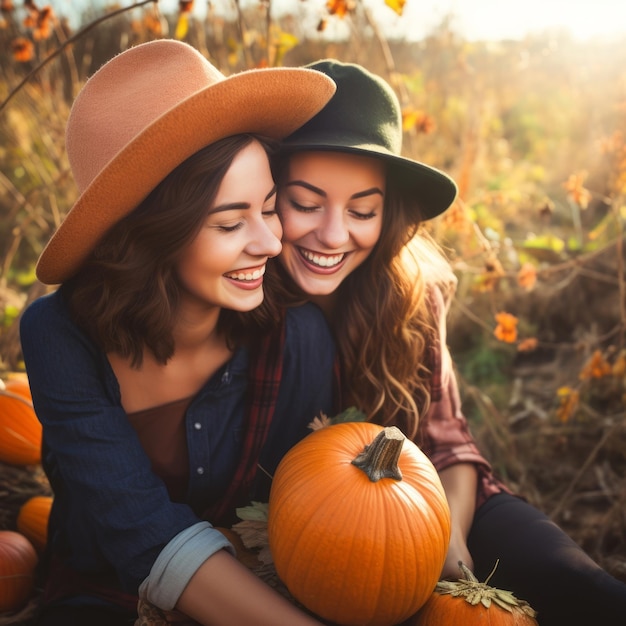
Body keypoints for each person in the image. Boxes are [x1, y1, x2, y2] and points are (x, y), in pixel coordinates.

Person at [268, 59, 626, 625]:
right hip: (313, 538)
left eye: (362, 210)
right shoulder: (244, 296)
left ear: (388, 215)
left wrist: (450, 547)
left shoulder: (414, 293)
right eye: (306, 204)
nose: (333, 234)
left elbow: (451, 443)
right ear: (268, 197)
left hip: (436, 509)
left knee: (581, 589)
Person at [19, 40, 339, 626]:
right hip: (103, 595)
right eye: (228, 222)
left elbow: (300, 518)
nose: (269, 243)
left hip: (262, 591)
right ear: (150, 236)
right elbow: (136, 527)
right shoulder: (60, 333)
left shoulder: (297, 339)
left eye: (269, 208)